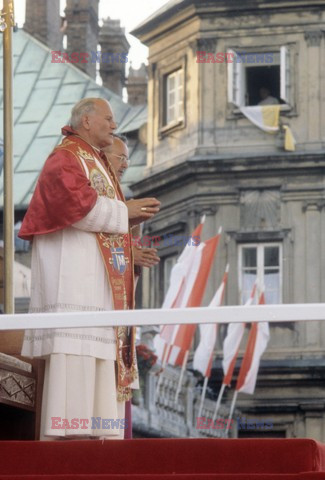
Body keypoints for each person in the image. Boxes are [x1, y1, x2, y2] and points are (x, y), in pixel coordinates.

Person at [19, 97, 160, 440]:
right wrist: (125, 211)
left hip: (95, 294)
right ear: (86, 121)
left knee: (96, 365)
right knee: (75, 360)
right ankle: (68, 440)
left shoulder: (94, 161)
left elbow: (103, 227)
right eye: (108, 119)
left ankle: (98, 440)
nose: (114, 125)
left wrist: (130, 242)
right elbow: (74, 206)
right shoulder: (65, 157)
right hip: (74, 290)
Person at [103, 134, 160, 269]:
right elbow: (92, 243)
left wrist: (134, 229)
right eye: (121, 158)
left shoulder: (117, 195)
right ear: (102, 157)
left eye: (127, 160)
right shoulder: (88, 190)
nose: (125, 165)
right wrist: (128, 255)